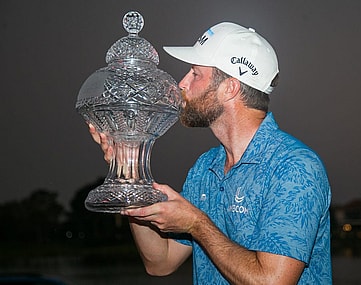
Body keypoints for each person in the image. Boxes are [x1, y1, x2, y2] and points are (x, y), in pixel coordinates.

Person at [90, 22, 332, 284]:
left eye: (195, 74)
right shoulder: (206, 167)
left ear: (230, 88)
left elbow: (272, 281)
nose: (182, 83)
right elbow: (160, 263)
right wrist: (131, 174)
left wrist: (197, 224)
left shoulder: (295, 167)